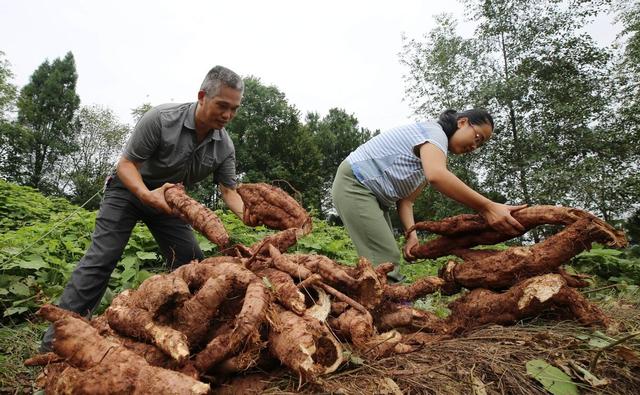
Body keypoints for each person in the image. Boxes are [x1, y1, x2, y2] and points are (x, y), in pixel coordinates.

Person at [40, 65, 245, 351]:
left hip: (170, 201)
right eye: (222, 106)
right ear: (202, 96)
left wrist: (250, 215)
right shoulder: (161, 119)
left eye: (234, 109)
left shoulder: (224, 146)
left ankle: (186, 334)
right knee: (102, 258)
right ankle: (55, 343)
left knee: (192, 262)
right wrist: (145, 194)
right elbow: (126, 165)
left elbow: (228, 190)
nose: (227, 115)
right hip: (128, 190)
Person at [331, 109, 526, 282]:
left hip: (371, 194)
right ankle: (392, 311)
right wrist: (488, 207)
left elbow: (406, 201)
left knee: (382, 258)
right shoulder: (435, 134)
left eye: (480, 144)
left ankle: (362, 300)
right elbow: (437, 176)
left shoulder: (431, 155)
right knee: (385, 259)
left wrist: (412, 235)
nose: (475, 146)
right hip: (355, 184)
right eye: (477, 137)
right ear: (462, 122)